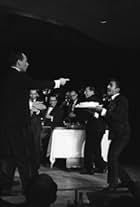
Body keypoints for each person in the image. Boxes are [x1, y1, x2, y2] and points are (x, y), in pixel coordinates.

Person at [0, 50, 69, 196]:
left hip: (8, 124)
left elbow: (13, 100)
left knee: (10, 157)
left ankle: (6, 185)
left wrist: (30, 107)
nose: (28, 63)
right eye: (26, 60)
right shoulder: (17, 75)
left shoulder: (8, 77)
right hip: (17, 125)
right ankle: (28, 189)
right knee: (22, 157)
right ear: (19, 62)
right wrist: (57, 83)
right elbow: (35, 83)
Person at [94, 78, 132, 191]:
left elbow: (120, 117)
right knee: (113, 158)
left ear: (117, 89)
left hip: (122, 133)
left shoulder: (122, 100)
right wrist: (97, 113)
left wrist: (103, 112)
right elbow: (110, 118)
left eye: (111, 85)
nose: (108, 87)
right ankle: (127, 181)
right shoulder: (111, 101)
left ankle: (113, 185)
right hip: (116, 134)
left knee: (112, 157)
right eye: (108, 85)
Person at [79, 85, 107, 175]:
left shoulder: (92, 100)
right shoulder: (97, 100)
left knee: (90, 148)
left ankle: (89, 168)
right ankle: (101, 166)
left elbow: (82, 107)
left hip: (95, 128)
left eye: (86, 91)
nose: (84, 92)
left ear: (92, 92)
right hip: (98, 128)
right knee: (95, 148)